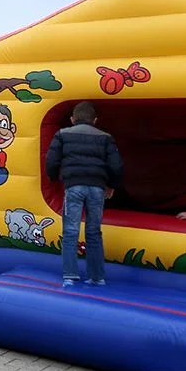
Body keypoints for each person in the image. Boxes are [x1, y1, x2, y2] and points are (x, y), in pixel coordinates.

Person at [45, 101, 123, 287]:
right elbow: (116, 165)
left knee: (71, 232)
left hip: (74, 186)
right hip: (97, 188)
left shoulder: (62, 134)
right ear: (95, 120)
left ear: (73, 119)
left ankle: (70, 276)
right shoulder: (105, 137)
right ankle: (97, 277)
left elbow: (51, 160)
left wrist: (54, 178)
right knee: (94, 232)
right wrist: (111, 185)